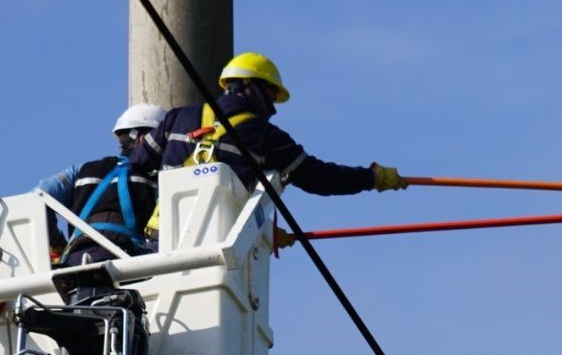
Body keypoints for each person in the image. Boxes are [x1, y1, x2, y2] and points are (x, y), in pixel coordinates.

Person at [129, 53, 406, 240]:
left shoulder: (178, 117)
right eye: (271, 94)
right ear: (249, 87)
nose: (273, 106)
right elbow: (320, 178)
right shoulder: (265, 136)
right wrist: (372, 178)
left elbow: (137, 166)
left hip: (161, 238)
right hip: (217, 242)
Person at [38, 103, 167, 266]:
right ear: (142, 138)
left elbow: (38, 196)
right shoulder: (158, 177)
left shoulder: (80, 171)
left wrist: (59, 244)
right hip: (126, 261)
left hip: (74, 261)